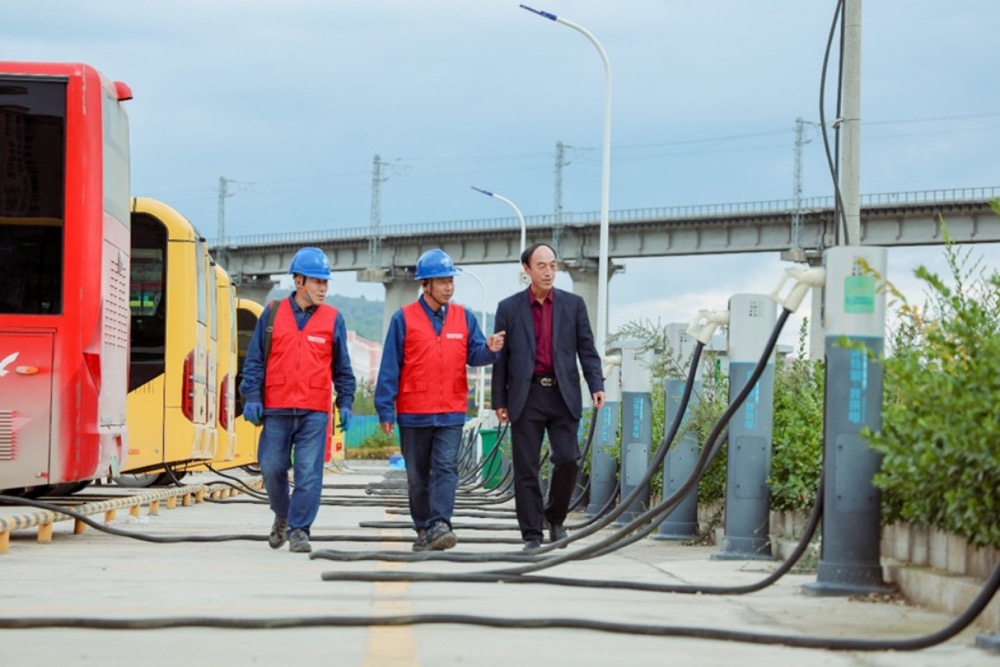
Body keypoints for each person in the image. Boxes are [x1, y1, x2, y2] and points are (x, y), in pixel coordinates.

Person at [375, 249, 505, 551]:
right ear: (425, 285)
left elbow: (475, 355)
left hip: (450, 411)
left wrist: (489, 348)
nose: (449, 287)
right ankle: (423, 528)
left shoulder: (464, 317)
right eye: (442, 282)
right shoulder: (403, 318)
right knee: (418, 476)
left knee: (446, 468)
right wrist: (385, 409)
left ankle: (440, 524)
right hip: (414, 411)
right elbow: (390, 366)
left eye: (450, 281)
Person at [239, 246, 356, 554]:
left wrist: (346, 401)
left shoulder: (333, 319)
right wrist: (252, 396)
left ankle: (300, 530)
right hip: (276, 408)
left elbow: (343, 368)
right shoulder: (273, 313)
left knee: (308, 473)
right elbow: (255, 361)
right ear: (299, 281)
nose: (323, 288)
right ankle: (283, 514)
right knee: (271, 467)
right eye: (317, 281)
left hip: (314, 411)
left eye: (325, 282)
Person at [492, 242, 605, 551]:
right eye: (541, 266)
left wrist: (596, 384)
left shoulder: (573, 305)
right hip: (525, 396)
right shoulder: (508, 308)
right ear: (526, 269)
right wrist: (499, 400)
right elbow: (501, 359)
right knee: (526, 468)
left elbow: (587, 349)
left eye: (553, 265)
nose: (548, 272)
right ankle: (532, 534)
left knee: (567, 459)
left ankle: (554, 517)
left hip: (562, 393)